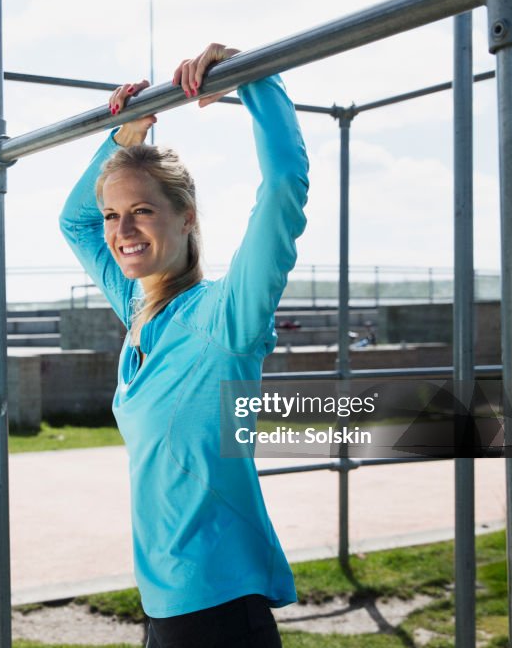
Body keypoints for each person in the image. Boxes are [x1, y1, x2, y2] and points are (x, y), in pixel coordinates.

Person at [59, 42, 310, 648]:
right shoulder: (141, 309)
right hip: (168, 605)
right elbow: (75, 222)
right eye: (115, 214)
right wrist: (121, 138)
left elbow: (283, 187)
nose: (122, 230)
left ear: (186, 216)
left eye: (141, 210)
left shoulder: (224, 318)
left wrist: (255, 78)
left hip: (219, 611)